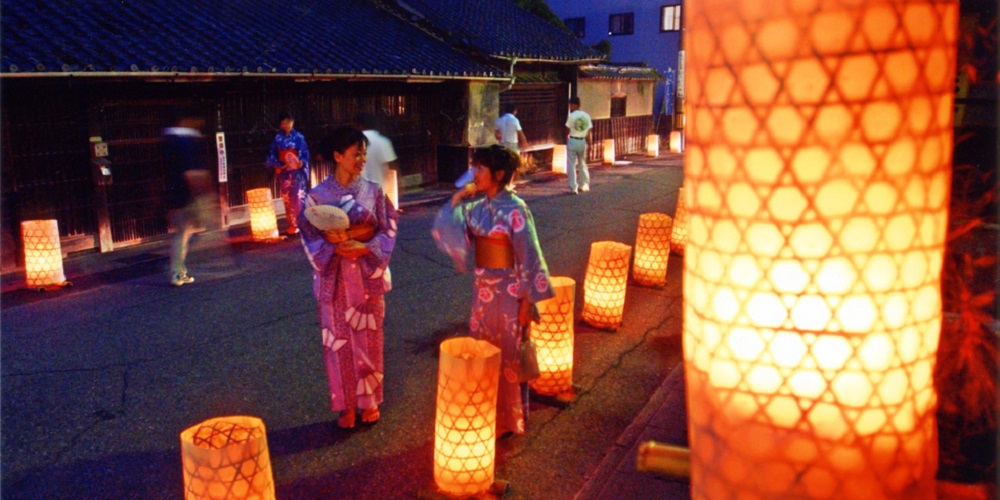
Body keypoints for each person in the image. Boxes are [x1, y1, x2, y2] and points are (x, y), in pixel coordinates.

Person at [437, 144, 554, 436]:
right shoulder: (476, 207)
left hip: (510, 291)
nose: (474, 174)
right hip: (483, 291)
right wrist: (458, 197)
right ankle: (487, 412)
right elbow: (449, 227)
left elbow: (529, 255)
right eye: (474, 168)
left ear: (499, 174)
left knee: (509, 354)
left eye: (480, 169)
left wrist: (528, 300)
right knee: (484, 351)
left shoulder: (516, 209)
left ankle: (510, 419)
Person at [298, 126, 398, 430]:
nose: (362, 159)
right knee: (337, 343)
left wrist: (365, 247)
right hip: (336, 277)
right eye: (356, 153)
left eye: (364, 153)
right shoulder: (316, 197)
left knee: (369, 339)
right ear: (338, 156)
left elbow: (388, 228)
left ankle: (369, 402)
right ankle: (345, 406)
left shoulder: (374, 191)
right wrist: (334, 246)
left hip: (365, 274)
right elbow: (308, 236)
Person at [162, 110, 213, 287]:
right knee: (183, 234)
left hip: (174, 194)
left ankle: (179, 271)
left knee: (182, 234)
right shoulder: (186, 140)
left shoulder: (168, 139)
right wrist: (202, 192)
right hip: (186, 195)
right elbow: (193, 171)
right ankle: (177, 273)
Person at [266, 112, 311, 235]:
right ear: (280, 124)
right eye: (284, 122)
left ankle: (301, 224)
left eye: (289, 122)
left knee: (298, 197)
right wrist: (276, 165)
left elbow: (305, 153)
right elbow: (272, 154)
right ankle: (292, 224)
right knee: (287, 198)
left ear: (292, 122)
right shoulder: (277, 138)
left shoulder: (299, 137)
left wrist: (301, 162)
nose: (286, 125)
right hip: (284, 171)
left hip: (297, 171)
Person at [357, 113, 398, 189]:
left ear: (359, 125)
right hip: (378, 190)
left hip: (358, 191)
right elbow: (393, 166)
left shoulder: (353, 143)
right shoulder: (383, 141)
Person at [565, 96, 593, 194]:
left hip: (573, 140)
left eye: (571, 105)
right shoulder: (586, 116)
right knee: (582, 163)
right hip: (582, 141)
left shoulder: (571, 116)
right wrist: (590, 143)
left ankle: (573, 187)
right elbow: (589, 132)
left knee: (571, 164)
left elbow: (567, 129)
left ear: (574, 105)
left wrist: (566, 139)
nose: (570, 107)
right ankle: (584, 184)